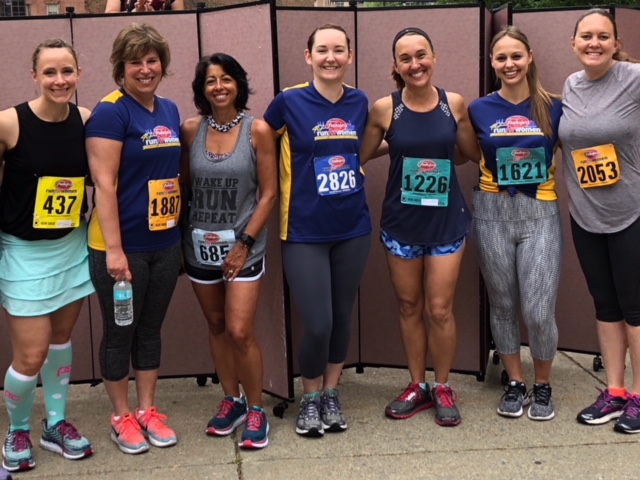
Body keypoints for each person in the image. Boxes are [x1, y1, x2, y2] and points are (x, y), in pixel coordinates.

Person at [360, 27, 479, 427]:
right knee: (409, 307)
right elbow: (362, 151)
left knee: (440, 309)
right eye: (406, 59)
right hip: (401, 225)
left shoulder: (454, 104)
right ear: (396, 66)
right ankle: (417, 385)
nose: (416, 64)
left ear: (434, 56)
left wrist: (432, 159)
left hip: (447, 223)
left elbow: (468, 154)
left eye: (421, 55)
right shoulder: (384, 109)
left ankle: (442, 386)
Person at [263, 24, 372, 437]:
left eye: (339, 50)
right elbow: (258, 145)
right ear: (308, 56)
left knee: (342, 316)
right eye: (322, 50)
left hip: (352, 227)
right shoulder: (288, 102)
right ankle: (308, 398)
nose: (331, 57)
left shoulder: (360, 102)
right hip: (304, 229)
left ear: (350, 56)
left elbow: (365, 146)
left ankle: (330, 393)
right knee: (319, 322)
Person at [85, 23, 182, 454]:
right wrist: (117, 250)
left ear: (162, 63)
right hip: (118, 248)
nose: (145, 69)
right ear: (120, 68)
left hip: (164, 242)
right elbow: (104, 185)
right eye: (134, 62)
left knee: (150, 330)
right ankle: (121, 416)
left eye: (151, 60)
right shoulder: (111, 111)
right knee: (119, 331)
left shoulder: (170, 109)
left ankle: (147, 410)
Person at [0, 39, 94, 473]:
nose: (60, 80)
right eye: (50, 72)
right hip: (23, 254)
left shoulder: (88, 121)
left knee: (60, 341)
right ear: (34, 76)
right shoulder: (9, 124)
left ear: (78, 74)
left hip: (70, 247)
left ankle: (55, 423)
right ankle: (17, 427)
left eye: (67, 71)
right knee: (31, 354)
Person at [180, 53, 277, 449]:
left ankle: (256, 409)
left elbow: (269, 193)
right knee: (217, 326)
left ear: (238, 83)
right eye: (210, 81)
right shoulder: (190, 130)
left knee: (239, 330)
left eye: (225, 79)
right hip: (198, 247)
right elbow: (183, 186)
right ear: (201, 90)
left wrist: (245, 244)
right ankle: (232, 400)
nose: (218, 86)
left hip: (243, 248)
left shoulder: (259, 130)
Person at [468, 26, 563, 421]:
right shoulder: (479, 109)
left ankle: (543, 386)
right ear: (492, 63)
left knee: (539, 310)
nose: (509, 64)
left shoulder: (555, 105)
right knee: (503, 305)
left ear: (530, 57)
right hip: (492, 212)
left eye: (516, 56)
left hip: (540, 213)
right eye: (501, 58)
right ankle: (515, 381)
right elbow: (465, 152)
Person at [559, 8, 640, 433]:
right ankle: (615, 390)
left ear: (615, 42)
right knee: (606, 305)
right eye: (586, 36)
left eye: (603, 36)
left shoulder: (633, 78)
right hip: (587, 215)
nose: (594, 43)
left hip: (632, 212)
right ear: (573, 43)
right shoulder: (572, 85)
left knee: (636, 307)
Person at [105, 0, 184, 13]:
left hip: (162, 38)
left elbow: (180, 20)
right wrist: (134, 13)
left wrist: (156, 16)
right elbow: (109, 17)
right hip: (129, 37)